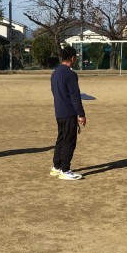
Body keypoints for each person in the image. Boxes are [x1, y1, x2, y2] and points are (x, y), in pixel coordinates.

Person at [50, 46, 86, 180]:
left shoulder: (55, 73)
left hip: (59, 112)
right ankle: (65, 170)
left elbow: (54, 92)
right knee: (69, 141)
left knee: (61, 139)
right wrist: (81, 114)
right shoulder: (71, 74)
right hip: (68, 112)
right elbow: (75, 96)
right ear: (73, 58)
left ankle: (56, 166)